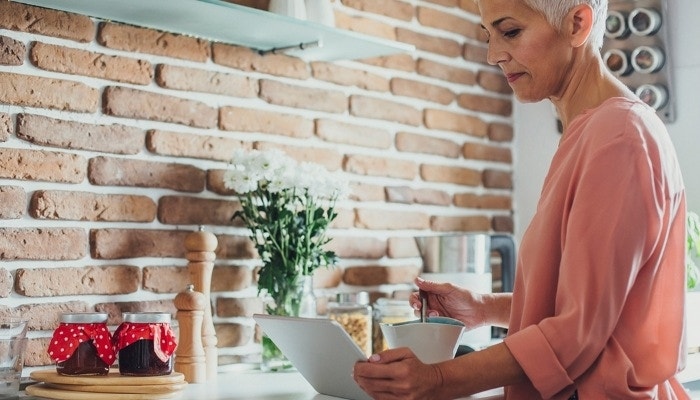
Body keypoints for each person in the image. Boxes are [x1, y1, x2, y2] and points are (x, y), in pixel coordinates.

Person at [353, 0, 690, 398]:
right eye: (488, 36)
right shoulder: (593, 131)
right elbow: (593, 309)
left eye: (510, 32)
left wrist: (439, 380)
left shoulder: (619, 137)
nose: (494, 55)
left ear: (577, 24)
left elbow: (576, 334)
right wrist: (483, 307)